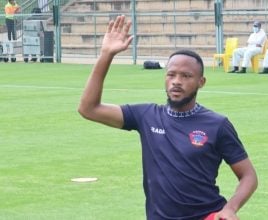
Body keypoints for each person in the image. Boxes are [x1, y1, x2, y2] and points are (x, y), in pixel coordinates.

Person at [78, 15, 258, 220]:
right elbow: (88, 109)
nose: (177, 82)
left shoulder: (217, 124)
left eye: (186, 76)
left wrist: (230, 208)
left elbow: (249, 176)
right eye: (171, 75)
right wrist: (106, 54)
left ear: (201, 82)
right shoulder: (146, 115)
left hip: (206, 216)